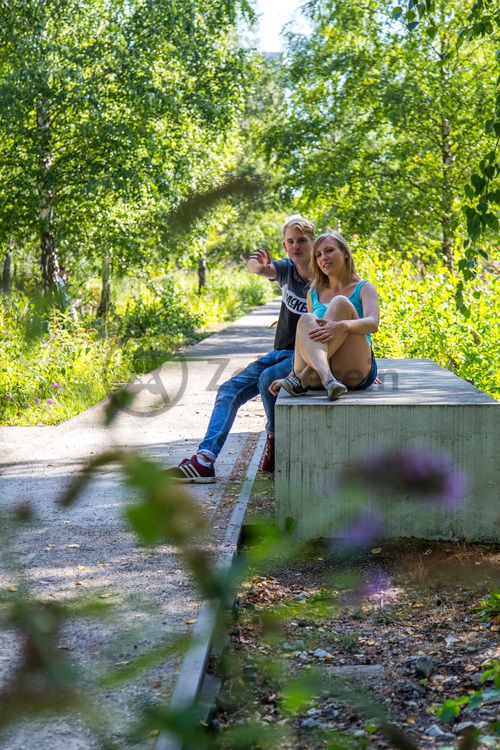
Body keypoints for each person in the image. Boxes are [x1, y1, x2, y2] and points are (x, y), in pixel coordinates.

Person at [166, 215, 315, 482]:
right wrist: (257, 265)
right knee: (228, 389)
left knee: (267, 379)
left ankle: (273, 434)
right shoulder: (286, 270)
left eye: (302, 241)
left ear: (313, 242)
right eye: (290, 241)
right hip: (281, 351)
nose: (296, 246)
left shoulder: (325, 274)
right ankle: (204, 460)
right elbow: (259, 269)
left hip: (305, 355)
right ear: (284, 246)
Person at [271, 231, 379, 401]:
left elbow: (373, 324)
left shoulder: (364, 288)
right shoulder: (313, 293)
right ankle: (326, 378)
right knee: (307, 319)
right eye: (318, 255)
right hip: (320, 376)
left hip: (351, 367)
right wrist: (290, 375)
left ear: (345, 253)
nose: (323, 258)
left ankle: (303, 378)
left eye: (329, 250)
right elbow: (310, 340)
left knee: (340, 303)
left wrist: (343, 326)